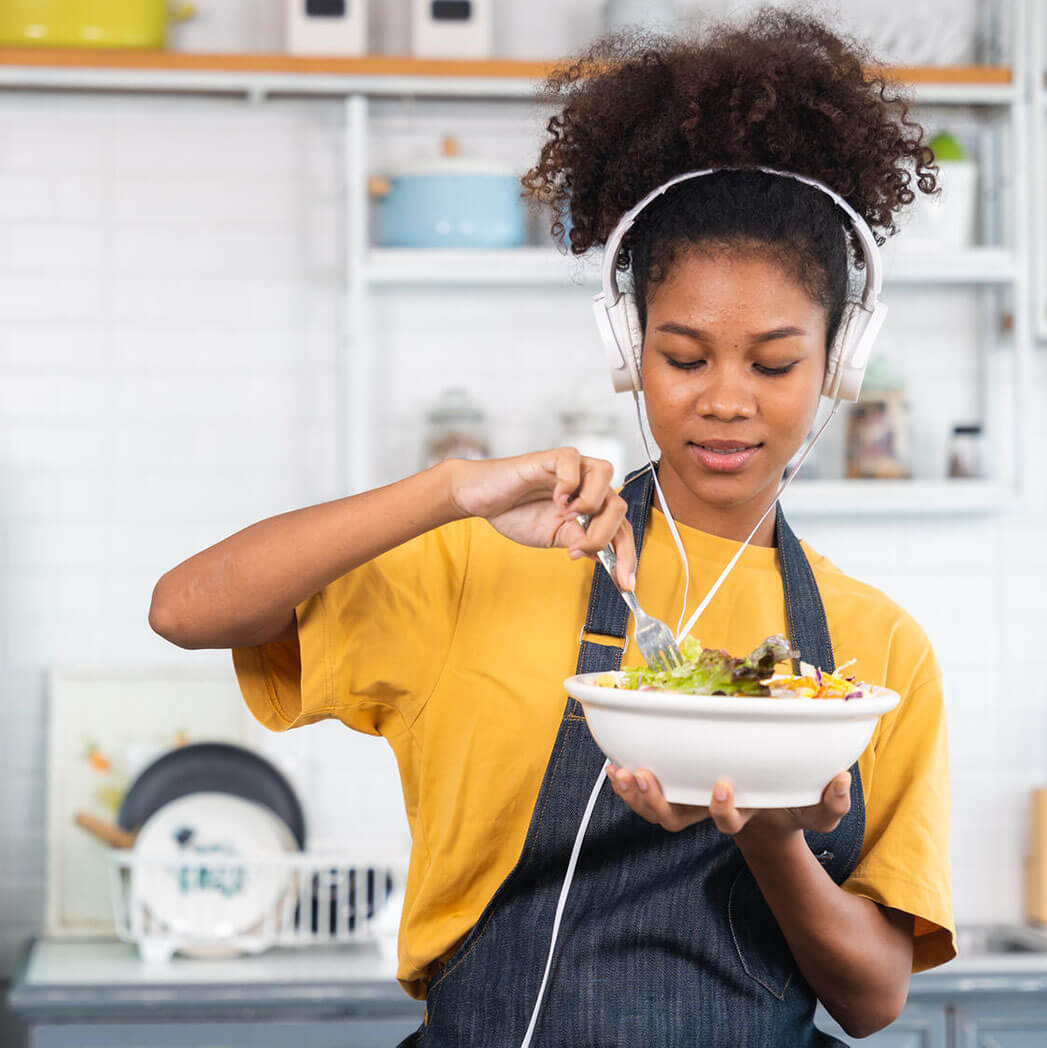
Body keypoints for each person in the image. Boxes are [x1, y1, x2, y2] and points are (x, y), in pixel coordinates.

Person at [149, 8, 955, 1045]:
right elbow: (183, 609)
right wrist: (451, 492)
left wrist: (764, 832)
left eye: (771, 362)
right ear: (627, 349)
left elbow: (872, 997)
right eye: (682, 355)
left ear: (837, 364)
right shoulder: (486, 564)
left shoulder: (874, 651)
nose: (723, 399)